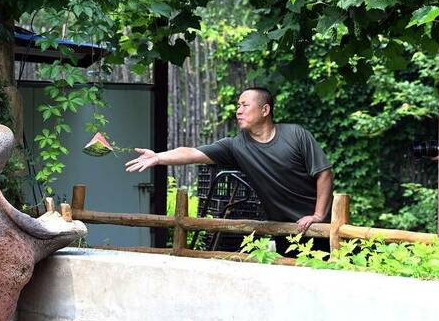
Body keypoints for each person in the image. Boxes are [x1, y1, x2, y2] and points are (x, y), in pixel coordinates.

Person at [125, 87, 334, 254]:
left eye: (244, 105)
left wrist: (317, 215)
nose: (238, 110)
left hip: (322, 228)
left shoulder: (296, 135)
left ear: (265, 110)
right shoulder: (236, 146)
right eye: (237, 106)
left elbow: (324, 172)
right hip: (286, 231)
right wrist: (159, 157)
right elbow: (192, 152)